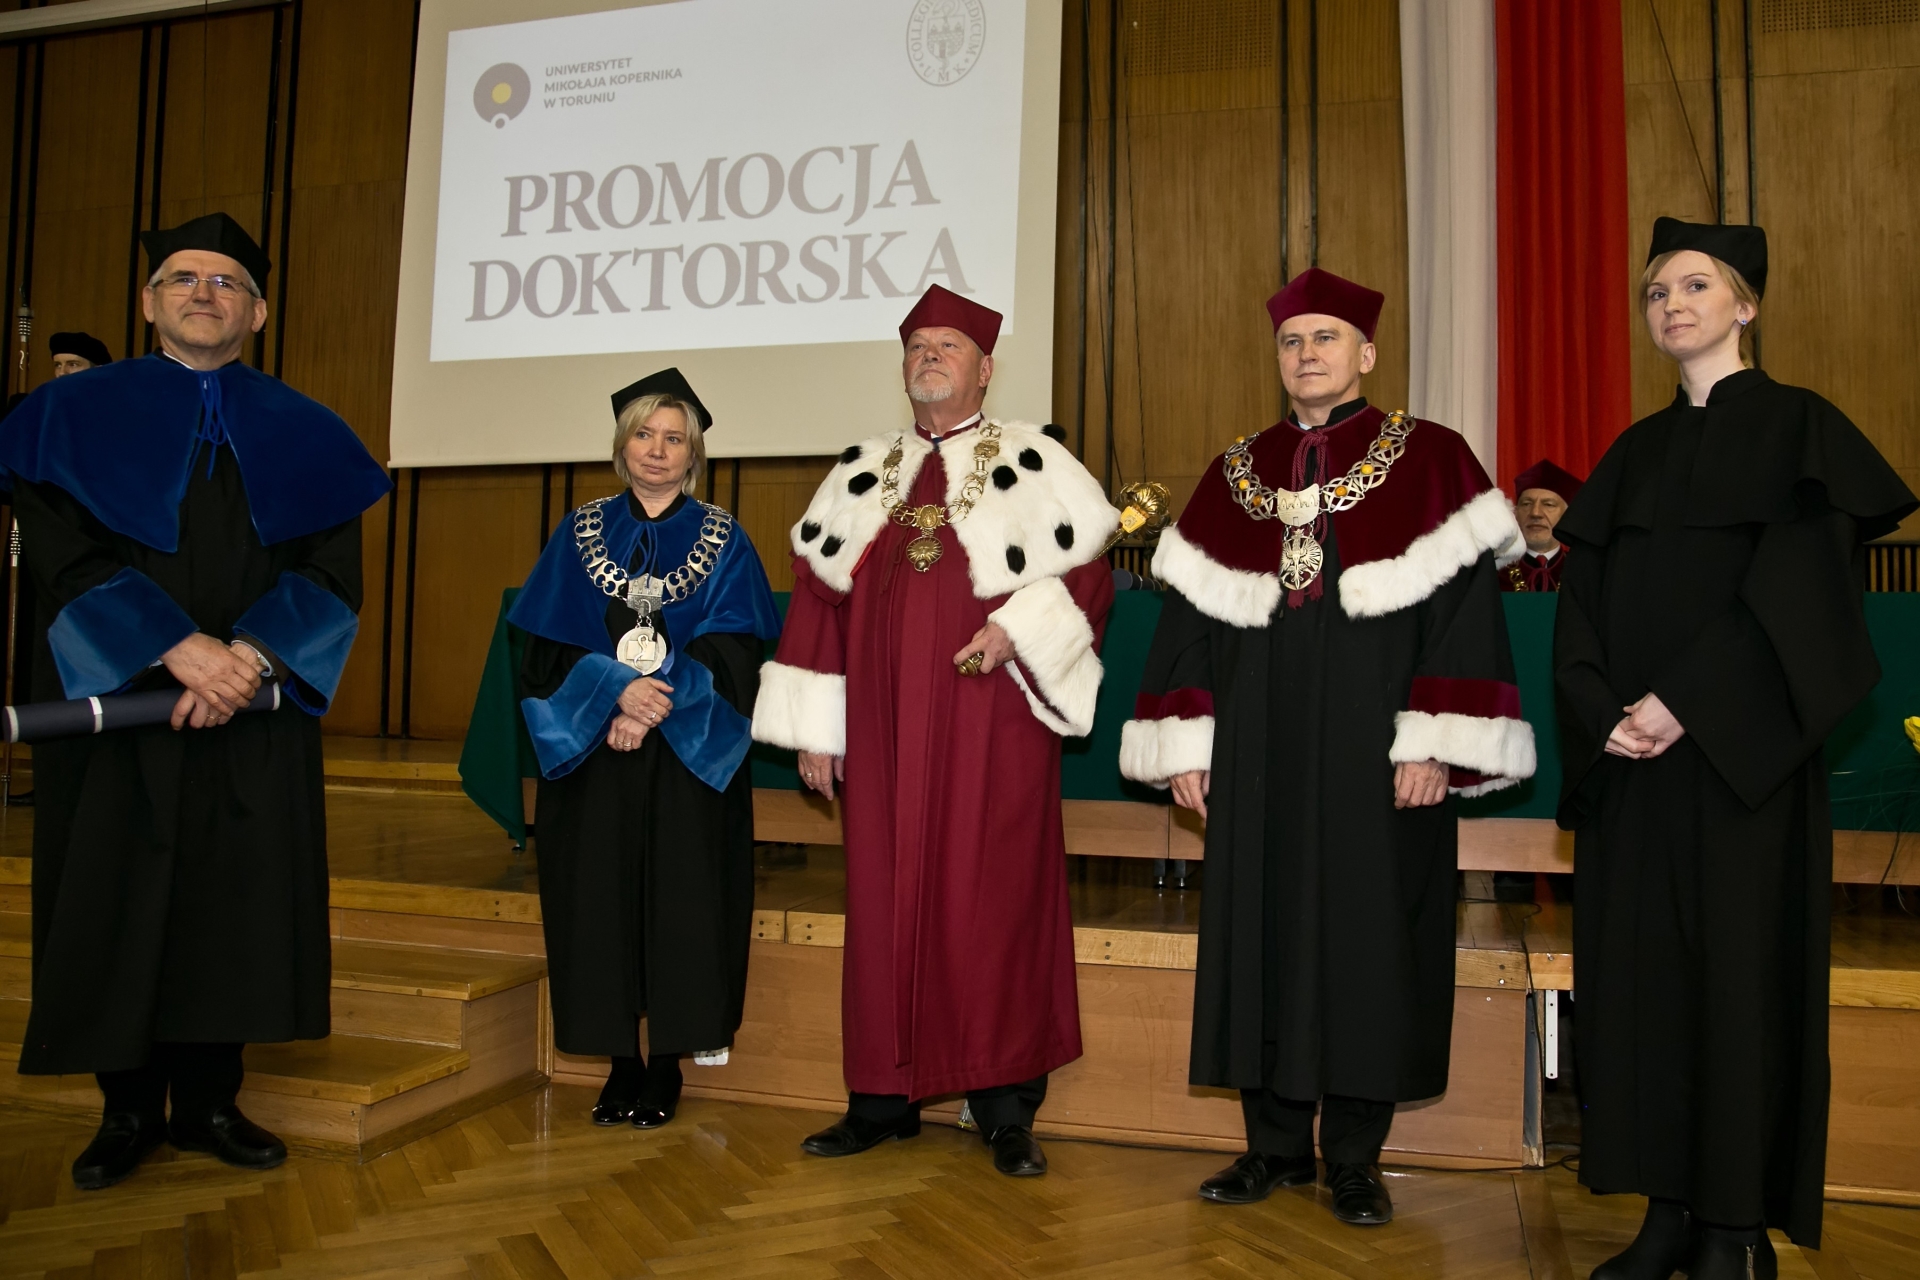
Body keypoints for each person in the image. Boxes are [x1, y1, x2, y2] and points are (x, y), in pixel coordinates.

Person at [1121, 267, 1534, 1226]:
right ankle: (1271, 1146)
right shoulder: (1236, 472)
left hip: (1379, 753)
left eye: (1325, 338)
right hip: (1256, 752)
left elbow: (1467, 618)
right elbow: (1186, 625)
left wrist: (1435, 742)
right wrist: (1187, 741)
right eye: (1291, 341)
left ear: (1367, 353)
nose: (1306, 355)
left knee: (1369, 939)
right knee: (1258, 930)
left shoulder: (1432, 459)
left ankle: (1354, 1157)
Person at [1554, 218, 1915, 1280]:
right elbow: (1579, 609)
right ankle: (1667, 1212)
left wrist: (1683, 703)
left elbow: (1801, 602)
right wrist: (1604, 709)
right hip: (1637, 771)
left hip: (1741, 769)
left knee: (1739, 988)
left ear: (1745, 305)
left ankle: (1735, 1229)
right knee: (1646, 986)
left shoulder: (1802, 430)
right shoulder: (1634, 452)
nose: (1671, 304)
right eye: (1655, 290)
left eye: (1696, 285)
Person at [0, 211, 390, 1190]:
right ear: (148, 302)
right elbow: (60, 555)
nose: (203, 292)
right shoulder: (69, 416)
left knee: (234, 899)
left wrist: (247, 660)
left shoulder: (306, 429)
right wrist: (175, 648)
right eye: (183, 278)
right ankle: (125, 1109)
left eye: (226, 282)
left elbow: (331, 572)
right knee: (115, 895)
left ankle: (213, 1101)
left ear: (257, 312)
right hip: (118, 702)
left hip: (245, 711)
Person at [750, 284, 1118, 1177]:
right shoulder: (863, 469)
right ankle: (883, 1097)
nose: (930, 357)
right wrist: (816, 729)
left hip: (994, 725)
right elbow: (818, 604)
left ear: (985, 368)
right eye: (918, 345)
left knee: (996, 901)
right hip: (879, 731)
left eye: (949, 346)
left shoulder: (1035, 461)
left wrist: (1018, 628)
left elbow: (1089, 579)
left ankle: (1004, 1104)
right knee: (882, 900)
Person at [508, 368, 779, 1129]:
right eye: (644, 435)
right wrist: (613, 694)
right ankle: (619, 1061)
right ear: (622, 445)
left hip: (688, 755)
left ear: (693, 454)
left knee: (685, 902)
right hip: (594, 752)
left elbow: (737, 651)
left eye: (674, 439)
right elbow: (543, 650)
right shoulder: (578, 534)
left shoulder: (724, 539)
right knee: (596, 900)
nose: (657, 451)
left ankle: (666, 1066)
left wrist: (656, 700)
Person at [1503, 458, 1582, 592]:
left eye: (1548, 504)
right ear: (1515, 514)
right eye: (1527, 504)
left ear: (1567, 516)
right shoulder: (1494, 573)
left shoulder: (1583, 573)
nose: (1535, 513)